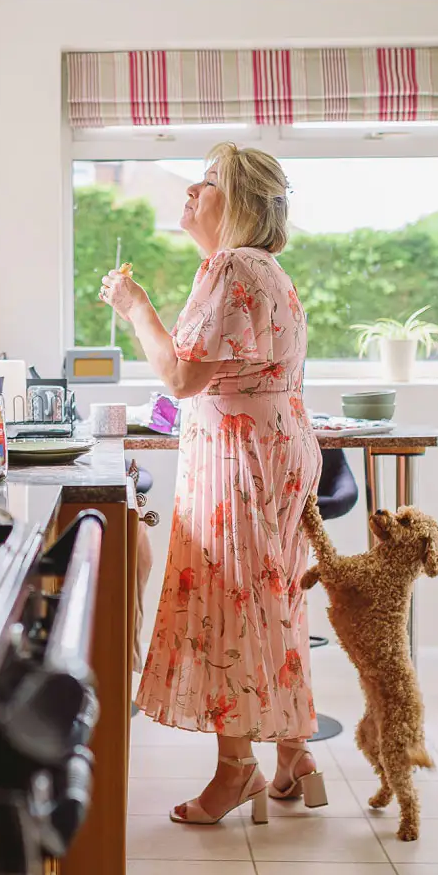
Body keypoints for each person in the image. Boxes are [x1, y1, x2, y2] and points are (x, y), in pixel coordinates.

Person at [99, 142, 325, 825]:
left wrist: (135, 305)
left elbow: (182, 377)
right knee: (272, 596)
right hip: (277, 444)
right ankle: (294, 754)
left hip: (242, 455)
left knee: (231, 600)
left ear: (242, 203)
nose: (191, 193)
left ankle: (236, 769)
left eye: (208, 183)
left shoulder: (231, 266)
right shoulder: (268, 270)